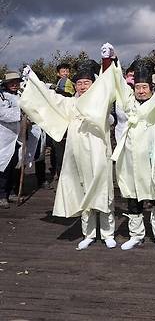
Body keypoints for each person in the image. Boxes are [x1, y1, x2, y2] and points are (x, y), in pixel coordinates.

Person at [20, 52, 118, 250]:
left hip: (99, 152)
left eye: (86, 82)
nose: (82, 86)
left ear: (94, 84)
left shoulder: (101, 101)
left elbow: (109, 83)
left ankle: (108, 233)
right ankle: (88, 233)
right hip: (77, 153)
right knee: (83, 189)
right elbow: (49, 99)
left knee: (103, 189)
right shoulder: (70, 103)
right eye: (79, 83)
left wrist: (108, 60)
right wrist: (33, 79)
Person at [110, 44, 155, 251]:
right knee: (132, 197)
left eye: (145, 88)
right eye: (138, 87)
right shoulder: (129, 103)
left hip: (152, 159)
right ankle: (136, 234)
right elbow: (119, 83)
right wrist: (114, 60)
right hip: (130, 159)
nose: (141, 91)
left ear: (152, 90)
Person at [47, 63, 74, 181]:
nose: (65, 73)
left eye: (67, 71)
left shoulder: (69, 83)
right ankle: (60, 175)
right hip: (59, 124)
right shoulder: (58, 84)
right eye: (63, 71)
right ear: (58, 73)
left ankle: (62, 175)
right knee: (59, 152)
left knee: (62, 152)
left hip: (66, 123)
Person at [0, 71, 22, 208]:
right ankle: (2, 195)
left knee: (16, 165)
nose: (14, 84)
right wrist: (21, 114)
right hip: (4, 137)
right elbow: (2, 114)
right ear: (6, 84)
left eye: (16, 82)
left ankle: (12, 191)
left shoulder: (21, 96)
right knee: (4, 166)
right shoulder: (2, 97)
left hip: (18, 137)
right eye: (11, 82)